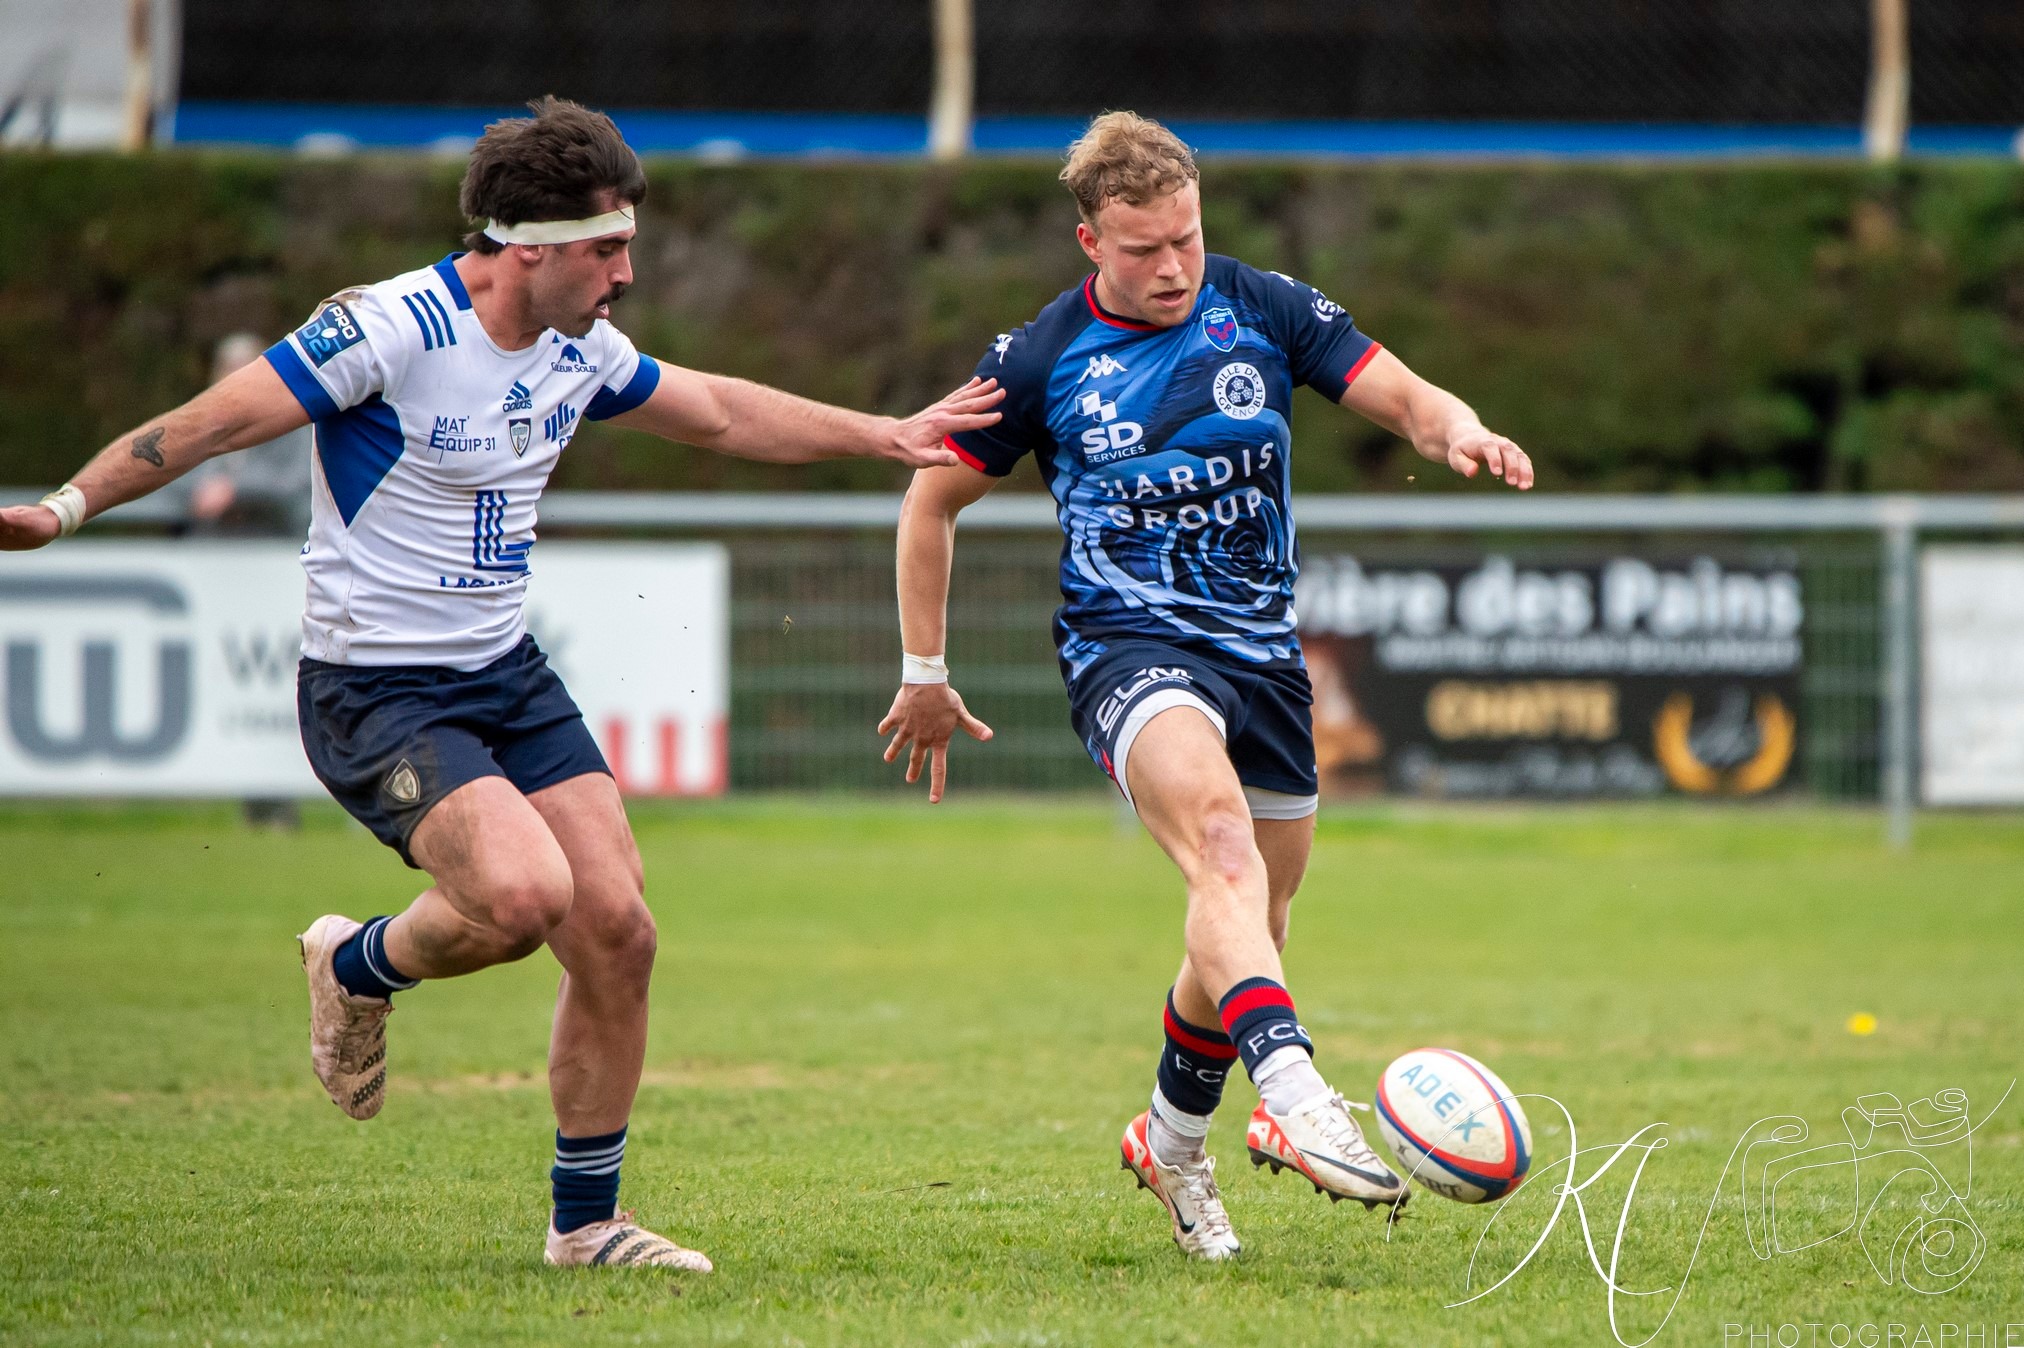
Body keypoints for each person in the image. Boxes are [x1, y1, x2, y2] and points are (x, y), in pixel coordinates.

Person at [0, 96, 1003, 1272]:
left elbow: (722, 412)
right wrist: (66, 506)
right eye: (604, 248)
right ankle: (356, 963)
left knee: (619, 931)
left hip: (504, 675)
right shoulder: (389, 329)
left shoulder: (582, 346)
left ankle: (585, 1226)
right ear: (525, 248)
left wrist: (885, 435)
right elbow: (211, 426)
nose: (625, 270)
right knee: (526, 898)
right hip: (375, 691)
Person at [878, 111, 1532, 1261]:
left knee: (1242, 929)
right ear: (1090, 241)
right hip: (1125, 647)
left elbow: (1405, 398)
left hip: (1264, 661)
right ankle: (1295, 1090)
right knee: (1219, 850)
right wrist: (922, 669)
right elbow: (929, 500)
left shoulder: (1264, 305)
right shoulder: (1036, 358)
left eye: (1184, 236)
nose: (1173, 265)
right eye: (1142, 247)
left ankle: (1172, 1146)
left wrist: (1461, 429)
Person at [172, 332, 316, 538]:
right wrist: (202, 491)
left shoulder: (292, 426)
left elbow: (300, 483)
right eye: (228, 368)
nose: (235, 378)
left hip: (273, 543)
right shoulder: (198, 428)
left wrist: (235, 491)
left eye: (245, 369)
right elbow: (172, 478)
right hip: (205, 545)